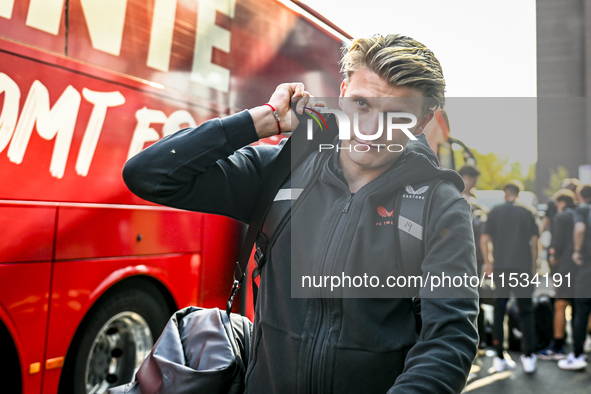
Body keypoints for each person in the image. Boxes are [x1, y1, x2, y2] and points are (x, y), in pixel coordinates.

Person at [123, 34, 478, 393]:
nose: (370, 130)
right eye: (362, 104)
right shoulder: (281, 171)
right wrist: (261, 122)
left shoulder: (439, 205)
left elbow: (449, 340)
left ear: (421, 121)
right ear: (342, 92)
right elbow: (148, 176)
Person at [481, 180, 539, 373]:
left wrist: (488, 262)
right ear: (519, 193)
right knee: (526, 310)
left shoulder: (495, 211)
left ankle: (499, 356)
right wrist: (533, 267)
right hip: (522, 267)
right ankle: (529, 356)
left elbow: (484, 238)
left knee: (500, 309)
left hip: (500, 268)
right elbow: (535, 241)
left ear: (505, 192)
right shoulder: (527, 212)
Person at [538, 189, 577, 360]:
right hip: (581, 268)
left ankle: (557, 347)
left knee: (560, 304)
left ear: (560, 202)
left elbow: (557, 244)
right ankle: (579, 345)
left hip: (565, 267)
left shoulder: (561, 217)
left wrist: (553, 256)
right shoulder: (581, 213)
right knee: (581, 306)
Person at [558, 184, 591, 370]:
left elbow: (579, 229)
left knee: (581, 309)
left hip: (588, 265)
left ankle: (577, 355)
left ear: (579, 195)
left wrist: (577, 251)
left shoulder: (582, 210)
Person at [458, 165, 489, 348]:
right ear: (466, 178)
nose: (473, 184)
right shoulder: (453, 197)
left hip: (473, 256)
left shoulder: (474, 201)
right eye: (473, 180)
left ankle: (478, 338)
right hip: (460, 256)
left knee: (475, 296)